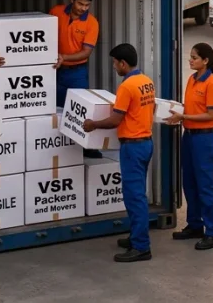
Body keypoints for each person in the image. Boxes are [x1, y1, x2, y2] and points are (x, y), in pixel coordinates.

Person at [82, 43, 155, 263]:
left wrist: (92, 124)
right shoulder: (147, 82)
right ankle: (136, 236)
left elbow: (115, 119)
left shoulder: (126, 87)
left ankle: (141, 246)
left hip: (132, 146)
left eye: (115, 63)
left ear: (123, 63)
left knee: (134, 198)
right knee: (137, 194)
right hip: (146, 143)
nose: (114, 67)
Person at [164, 43, 213, 250]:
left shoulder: (212, 83)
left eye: (194, 57)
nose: (190, 60)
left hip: (204, 139)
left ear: (205, 60)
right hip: (189, 136)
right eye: (190, 57)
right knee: (189, 182)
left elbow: (210, 114)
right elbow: (189, 107)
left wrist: (184, 116)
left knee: (206, 185)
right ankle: (195, 224)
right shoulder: (192, 79)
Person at [51, 0, 100, 157]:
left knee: (79, 110)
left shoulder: (91, 23)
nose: (82, 8)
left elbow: (86, 52)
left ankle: (85, 147)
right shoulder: (56, 12)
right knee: (54, 109)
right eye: (80, 4)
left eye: (87, 5)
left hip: (76, 73)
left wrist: (63, 57)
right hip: (54, 70)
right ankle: (56, 148)